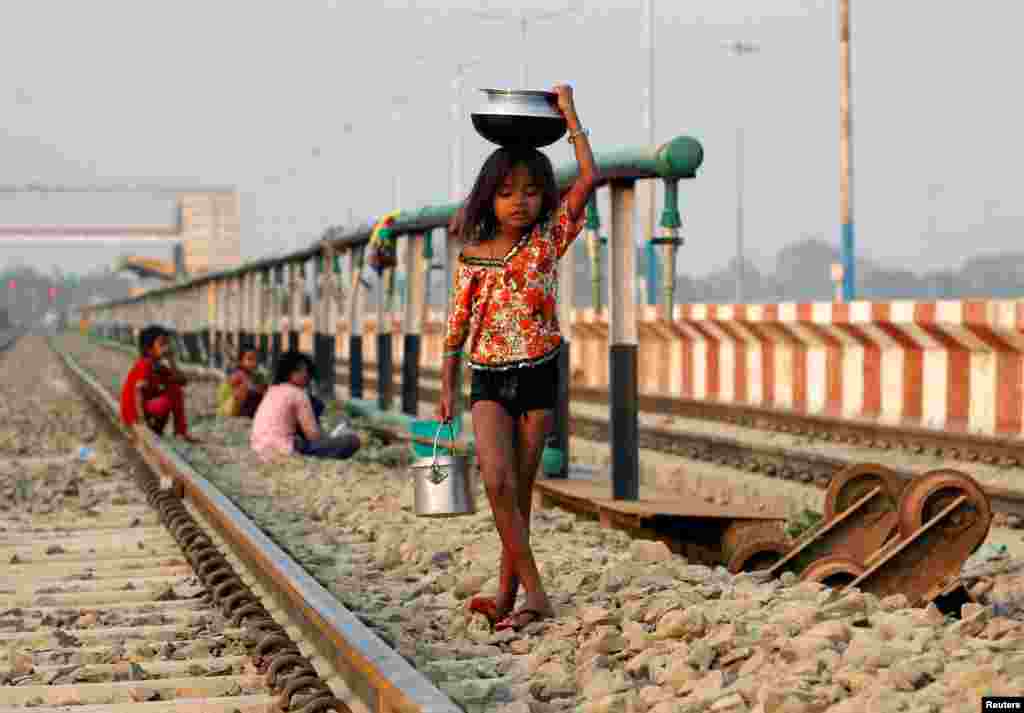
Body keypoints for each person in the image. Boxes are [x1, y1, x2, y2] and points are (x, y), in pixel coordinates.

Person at [439, 85, 596, 632]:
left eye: (531, 191)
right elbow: (456, 328)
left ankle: (508, 597)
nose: (520, 202)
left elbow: (589, 180)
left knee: (521, 493)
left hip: (538, 371)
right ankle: (537, 593)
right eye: (507, 192)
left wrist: (570, 114)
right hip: (486, 378)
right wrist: (444, 389)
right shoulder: (472, 257)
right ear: (489, 197)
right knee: (496, 482)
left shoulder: (548, 240)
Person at [251, 350, 360, 461]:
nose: (308, 376)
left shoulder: (272, 390)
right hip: (283, 449)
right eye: (305, 371)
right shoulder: (298, 394)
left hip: (259, 447)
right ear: (292, 372)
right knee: (352, 441)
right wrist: (330, 437)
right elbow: (313, 436)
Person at [120, 325, 201, 443]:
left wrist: (172, 361)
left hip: (145, 411)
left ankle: (180, 431)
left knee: (175, 389)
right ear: (149, 349)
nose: (167, 347)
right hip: (134, 415)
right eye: (162, 344)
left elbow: (182, 381)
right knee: (165, 401)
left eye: (167, 343)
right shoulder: (145, 364)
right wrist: (142, 427)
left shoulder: (159, 366)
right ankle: (157, 431)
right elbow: (138, 393)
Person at [217, 345, 267, 418]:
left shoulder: (257, 376)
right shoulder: (238, 374)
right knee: (245, 389)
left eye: (256, 359)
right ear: (240, 361)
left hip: (242, 408)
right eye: (249, 359)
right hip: (228, 408)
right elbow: (249, 387)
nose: (254, 363)